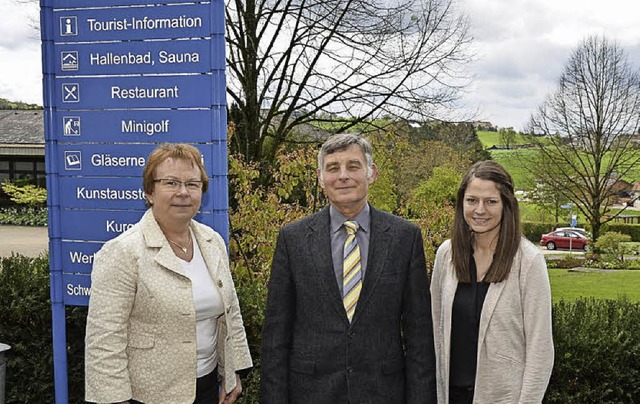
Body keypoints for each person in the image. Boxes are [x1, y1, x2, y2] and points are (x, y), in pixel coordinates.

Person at [260, 133, 437, 403]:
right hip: (311, 393)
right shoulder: (292, 239)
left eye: (353, 166)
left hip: (383, 392)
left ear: (371, 173)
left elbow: (419, 336)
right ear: (321, 178)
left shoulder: (404, 237)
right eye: (333, 168)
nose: (343, 175)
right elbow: (275, 335)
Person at [85, 143, 253, 404]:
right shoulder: (122, 252)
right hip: (148, 395)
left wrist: (232, 373)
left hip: (207, 388)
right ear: (150, 192)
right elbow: (104, 338)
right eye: (171, 183)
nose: (183, 192)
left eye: (192, 184)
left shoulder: (213, 242)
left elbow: (231, 313)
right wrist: (114, 400)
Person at [430, 160, 554, 404]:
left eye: (491, 201)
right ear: (461, 202)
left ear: (506, 204)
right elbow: (435, 330)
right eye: (472, 200)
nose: (480, 210)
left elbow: (540, 349)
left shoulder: (528, 262)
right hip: (450, 396)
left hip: (504, 397)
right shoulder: (447, 255)